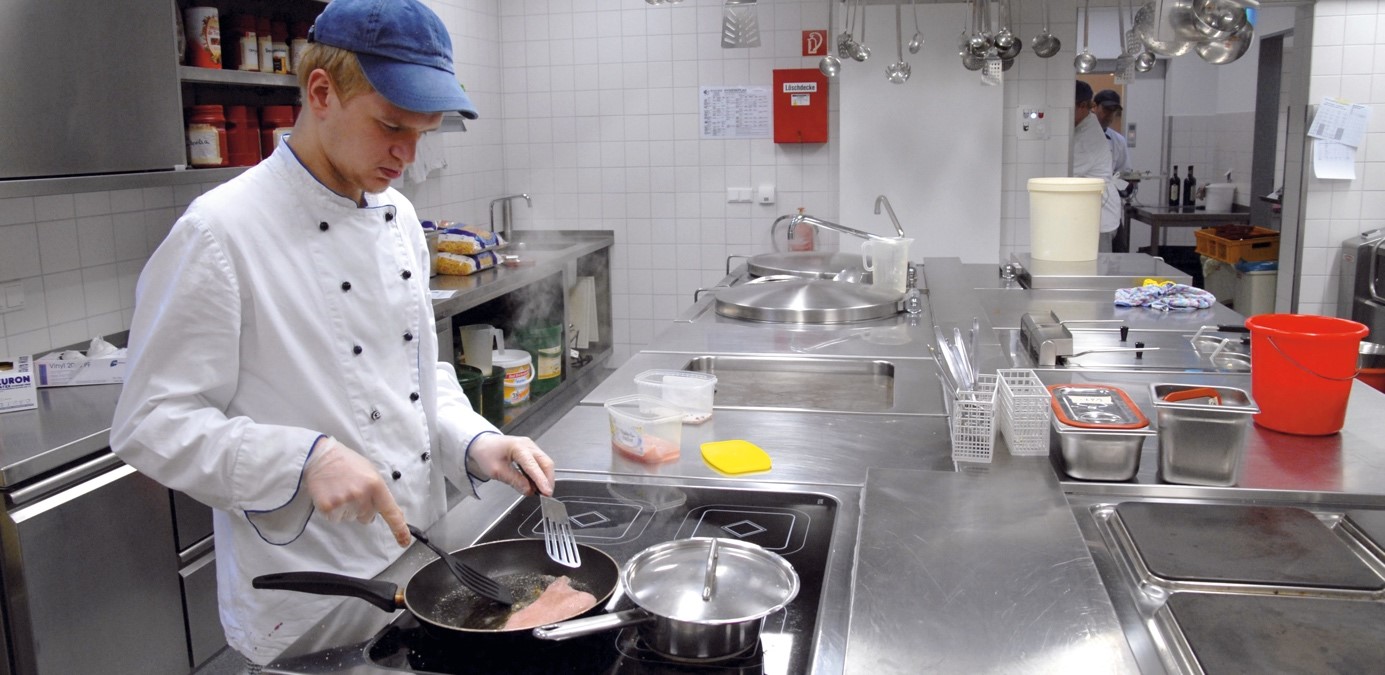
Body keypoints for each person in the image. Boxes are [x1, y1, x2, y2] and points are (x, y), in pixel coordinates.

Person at [110, 0, 555, 668]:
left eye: (423, 132)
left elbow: (415, 369)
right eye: (390, 127)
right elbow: (149, 422)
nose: (406, 154)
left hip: (420, 559)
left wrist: (476, 439)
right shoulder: (221, 231)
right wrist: (303, 456)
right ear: (320, 92)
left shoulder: (398, 215)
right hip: (308, 590)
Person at [1072, 81, 1122, 252]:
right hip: (1089, 215)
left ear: (1083, 106)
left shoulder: (1088, 139)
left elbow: (1063, 175)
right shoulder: (1084, 125)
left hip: (1101, 219)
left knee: (1098, 270)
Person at [1093, 89, 1134, 252]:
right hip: (1086, 205)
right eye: (1106, 109)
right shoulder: (1077, 137)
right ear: (1094, 107)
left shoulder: (1118, 140)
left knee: (1116, 255)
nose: (1109, 115)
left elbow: (1124, 172)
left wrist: (1127, 186)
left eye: (1114, 111)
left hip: (1110, 206)